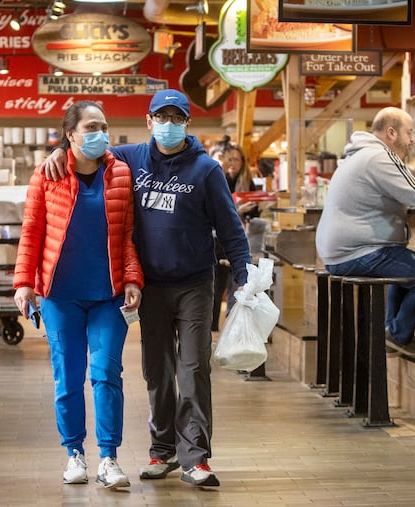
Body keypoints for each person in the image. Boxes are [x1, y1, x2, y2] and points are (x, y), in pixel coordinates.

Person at [41, 89, 251, 487]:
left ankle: (196, 458)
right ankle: (163, 450)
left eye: (177, 118)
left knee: (192, 369)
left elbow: (230, 230)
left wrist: (243, 276)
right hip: (148, 285)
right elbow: (85, 153)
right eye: (161, 116)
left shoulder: (206, 170)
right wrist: (56, 154)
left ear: (187, 123)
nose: (168, 124)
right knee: (157, 371)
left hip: (194, 284)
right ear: (148, 120)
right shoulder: (129, 158)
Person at [12, 100, 143, 489]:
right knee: (68, 377)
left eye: (103, 126)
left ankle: (108, 458)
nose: (98, 133)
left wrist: (134, 278)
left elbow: (128, 236)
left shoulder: (120, 173)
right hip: (60, 295)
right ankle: (74, 454)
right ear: (70, 134)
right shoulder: (47, 174)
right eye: (90, 127)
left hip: (109, 294)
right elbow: (32, 231)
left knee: (107, 374)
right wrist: (23, 283)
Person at [314, 106, 415, 357]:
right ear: (391, 133)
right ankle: (397, 333)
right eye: (409, 132)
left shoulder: (361, 155)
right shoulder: (379, 156)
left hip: (340, 253)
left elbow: (405, 193)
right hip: (358, 251)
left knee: (405, 267)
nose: (412, 140)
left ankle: (391, 332)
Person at [212, 143, 259, 329]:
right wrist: (236, 210)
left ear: (242, 162)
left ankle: (234, 328)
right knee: (216, 286)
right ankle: (212, 326)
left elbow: (256, 214)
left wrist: (252, 210)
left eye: (236, 159)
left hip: (241, 239)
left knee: (238, 286)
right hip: (216, 240)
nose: (232, 163)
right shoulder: (216, 178)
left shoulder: (248, 183)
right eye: (228, 159)